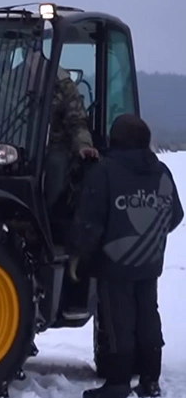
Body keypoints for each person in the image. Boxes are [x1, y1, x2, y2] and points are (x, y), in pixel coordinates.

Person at [70, 113, 183, 398]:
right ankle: (150, 380)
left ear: (115, 140)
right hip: (150, 261)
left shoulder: (105, 172)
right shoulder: (161, 171)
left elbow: (90, 224)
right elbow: (175, 214)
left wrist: (79, 256)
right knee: (148, 316)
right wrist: (151, 238)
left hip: (114, 261)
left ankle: (118, 383)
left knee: (118, 319)